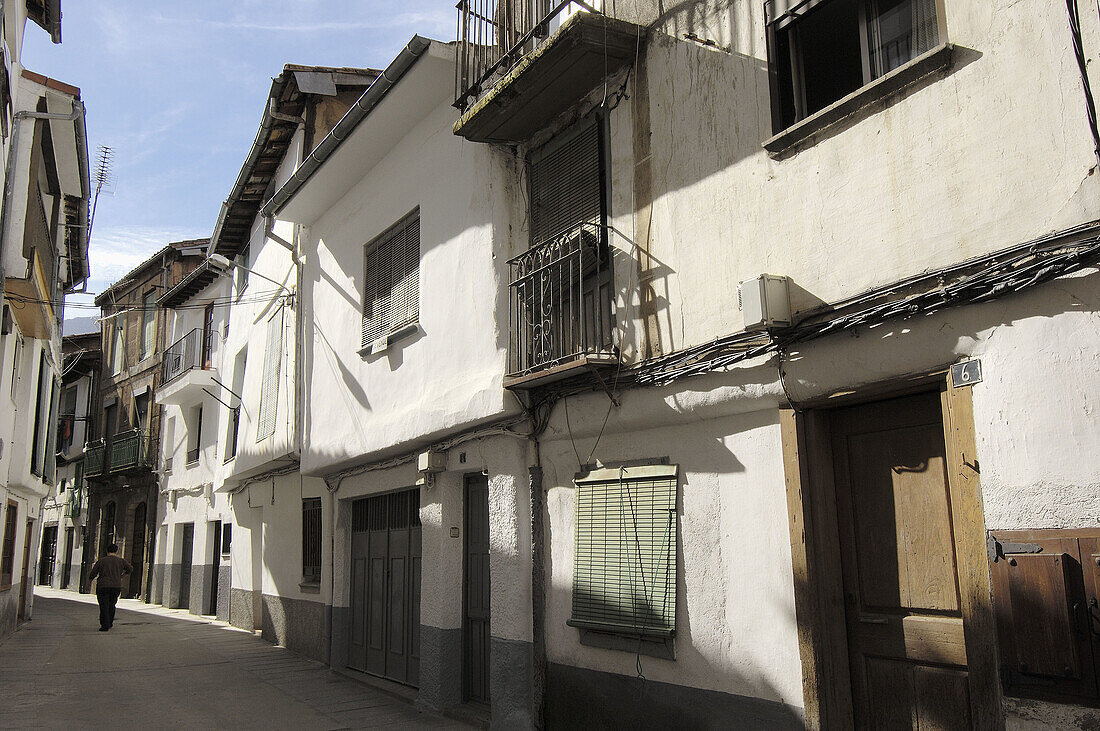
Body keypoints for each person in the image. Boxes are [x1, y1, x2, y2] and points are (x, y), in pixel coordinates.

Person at [88, 543, 132, 631]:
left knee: (103, 606)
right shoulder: (121, 561)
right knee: (112, 605)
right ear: (116, 551)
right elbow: (130, 569)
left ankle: (104, 625)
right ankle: (110, 622)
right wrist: (122, 576)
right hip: (116, 586)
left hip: (103, 586)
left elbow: (93, 573)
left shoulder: (101, 561)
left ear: (107, 551)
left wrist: (90, 580)